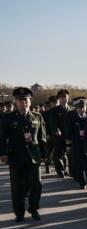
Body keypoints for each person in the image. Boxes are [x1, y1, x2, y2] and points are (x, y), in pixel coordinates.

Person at [0, 87, 46, 222]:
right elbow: (1, 138)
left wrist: (44, 154)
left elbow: (42, 137)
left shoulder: (37, 117)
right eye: (20, 100)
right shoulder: (7, 118)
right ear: (15, 102)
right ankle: (19, 213)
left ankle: (33, 208)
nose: (23, 102)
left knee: (37, 184)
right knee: (17, 187)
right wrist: (2, 153)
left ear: (30, 101)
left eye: (26, 99)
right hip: (16, 157)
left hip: (34, 157)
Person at [66, 97, 87, 189]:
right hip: (77, 145)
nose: (82, 109)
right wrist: (68, 145)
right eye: (80, 107)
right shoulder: (72, 119)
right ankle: (82, 182)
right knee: (80, 164)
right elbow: (68, 133)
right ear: (76, 108)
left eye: (83, 107)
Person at [47, 89, 70, 177]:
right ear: (59, 99)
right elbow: (52, 123)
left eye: (65, 97)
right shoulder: (54, 111)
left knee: (68, 155)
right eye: (61, 97)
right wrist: (56, 130)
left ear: (68, 98)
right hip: (59, 136)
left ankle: (68, 170)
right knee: (59, 154)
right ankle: (60, 170)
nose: (64, 99)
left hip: (69, 136)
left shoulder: (72, 109)